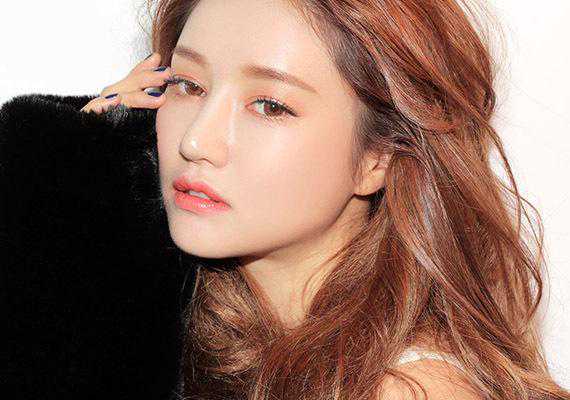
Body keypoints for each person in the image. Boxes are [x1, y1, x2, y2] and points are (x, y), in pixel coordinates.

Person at [2, 0, 569, 399]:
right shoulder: (182, 315)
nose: (196, 141)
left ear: (379, 158)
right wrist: (73, 167)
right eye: (189, 86)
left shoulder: (407, 390)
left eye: (270, 105)